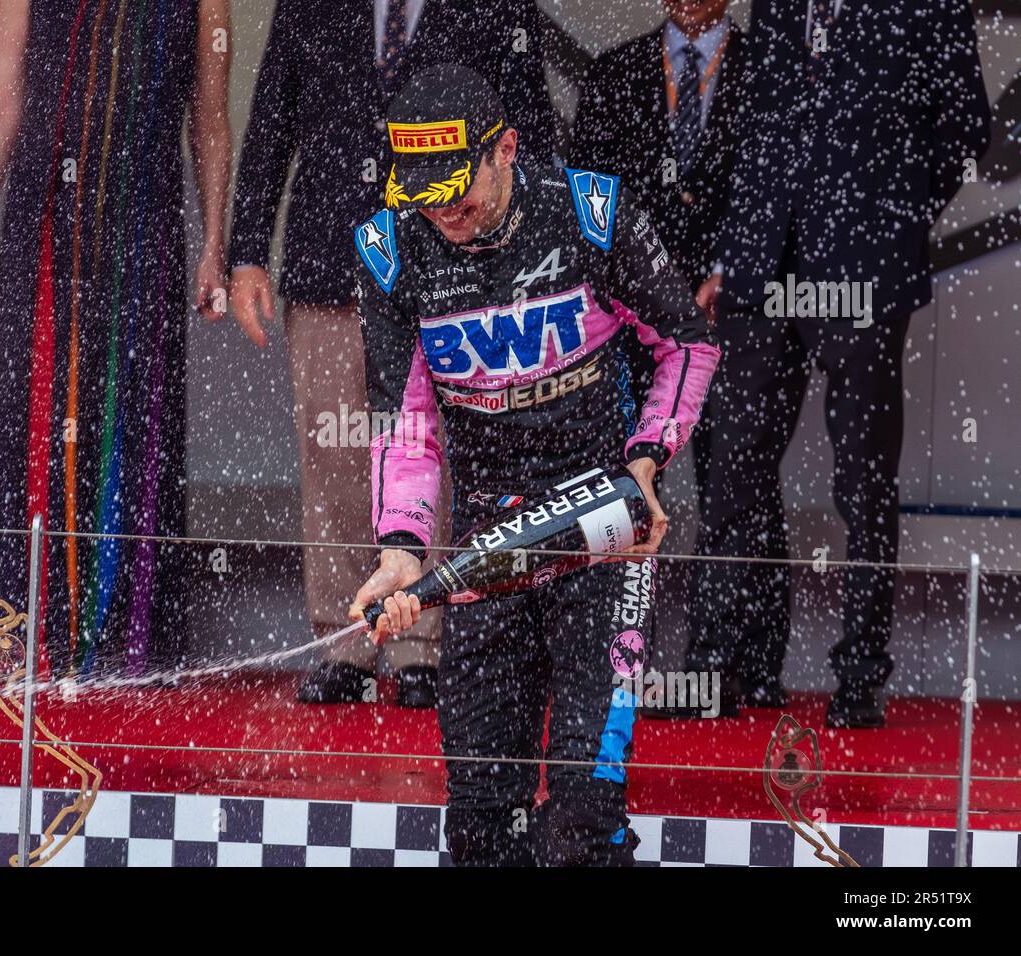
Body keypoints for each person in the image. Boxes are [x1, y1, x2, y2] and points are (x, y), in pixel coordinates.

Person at [348, 64, 720, 866]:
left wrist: (648, 460)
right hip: (487, 549)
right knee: (482, 822)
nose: (444, 210)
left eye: (458, 187)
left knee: (586, 814)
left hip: (602, 538)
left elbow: (687, 341)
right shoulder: (389, 251)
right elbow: (406, 420)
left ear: (507, 148)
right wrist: (400, 552)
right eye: (425, 193)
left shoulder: (589, 215)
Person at [228, 0, 556, 708]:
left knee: (432, 449)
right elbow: (269, 128)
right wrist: (247, 253)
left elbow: (528, 132)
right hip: (328, 262)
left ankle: (423, 644)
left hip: (450, 264)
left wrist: (529, 254)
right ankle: (345, 642)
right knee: (335, 453)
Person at [682, 0, 991, 727]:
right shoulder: (781, 6)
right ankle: (714, 670)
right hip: (764, 271)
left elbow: (966, 125)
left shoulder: (931, 8)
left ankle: (859, 681)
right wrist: (733, 253)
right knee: (733, 473)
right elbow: (761, 132)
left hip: (865, 275)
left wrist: (890, 218)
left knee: (863, 485)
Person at [0, 0, 231, 679]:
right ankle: (14, 634)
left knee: (135, 420)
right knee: (33, 421)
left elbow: (211, 120)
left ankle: (125, 643)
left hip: (145, 226)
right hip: (43, 223)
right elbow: (3, 100)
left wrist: (215, 243)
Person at [570, 0, 764, 714]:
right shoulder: (614, 72)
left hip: (736, 316)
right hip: (628, 323)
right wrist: (640, 286)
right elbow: (585, 201)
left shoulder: (768, 68)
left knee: (736, 488)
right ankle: (615, 666)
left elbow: (777, 189)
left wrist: (733, 269)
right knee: (628, 486)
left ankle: (723, 673)